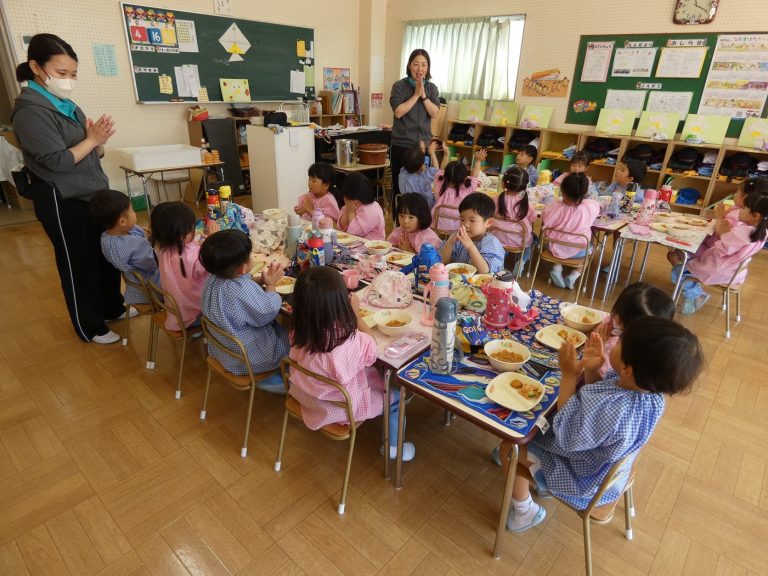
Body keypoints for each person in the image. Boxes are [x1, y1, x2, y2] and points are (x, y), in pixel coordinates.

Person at [501, 317, 703, 532]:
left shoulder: (615, 410)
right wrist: (594, 369)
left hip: (581, 481)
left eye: (620, 341)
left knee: (509, 447)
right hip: (608, 474)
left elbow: (567, 434)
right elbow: (598, 397)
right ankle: (539, 482)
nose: (614, 343)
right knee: (536, 428)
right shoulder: (650, 395)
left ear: (627, 368)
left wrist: (569, 377)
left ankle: (524, 513)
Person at [12, 34, 121, 344]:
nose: (68, 80)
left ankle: (114, 307)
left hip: (92, 191)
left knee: (106, 253)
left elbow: (89, 150)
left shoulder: (65, 104)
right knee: (79, 262)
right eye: (61, 73)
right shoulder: (30, 111)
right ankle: (91, 326)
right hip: (64, 199)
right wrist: (92, 141)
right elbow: (58, 162)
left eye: (73, 74)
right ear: (36, 66)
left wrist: (98, 143)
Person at [287, 266, 415, 461]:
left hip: (309, 398)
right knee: (396, 398)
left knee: (369, 375)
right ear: (340, 304)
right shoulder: (348, 341)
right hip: (340, 409)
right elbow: (372, 345)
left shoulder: (299, 332)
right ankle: (394, 448)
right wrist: (356, 315)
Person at [199, 229, 288, 393]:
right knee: (289, 335)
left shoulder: (212, 279)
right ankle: (279, 377)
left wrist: (261, 278)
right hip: (249, 359)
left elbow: (241, 283)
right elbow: (267, 312)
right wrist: (271, 285)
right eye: (250, 255)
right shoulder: (239, 291)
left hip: (224, 352)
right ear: (241, 268)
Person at [668, 191, 768, 314]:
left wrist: (725, 232)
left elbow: (723, 248)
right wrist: (727, 233)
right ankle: (692, 291)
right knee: (684, 258)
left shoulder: (743, 233)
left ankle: (696, 295)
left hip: (718, 269)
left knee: (677, 271)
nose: (740, 210)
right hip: (731, 271)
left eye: (745, 208)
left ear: (755, 216)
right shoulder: (761, 232)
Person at [592, 282, 675, 380]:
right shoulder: (612, 322)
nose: (614, 316)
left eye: (620, 315)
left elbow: (599, 380)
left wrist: (599, 349)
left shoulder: (631, 355)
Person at [90, 189, 159, 306]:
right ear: (122, 221)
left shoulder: (106, 237)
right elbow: (154, 263)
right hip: (151, 288)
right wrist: (159, 245)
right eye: (132, 210)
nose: (135, 212)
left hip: (134, 286)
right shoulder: (134, 244)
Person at [390, 49, 441, 203]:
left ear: (428, 67)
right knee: (401, 187)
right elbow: (398, 112)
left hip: (422, 146)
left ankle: (420, 223)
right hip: (402, 144)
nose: (420, 69)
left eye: (424, 65)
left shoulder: (431, 88)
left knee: (423, 187)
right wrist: (416, 95)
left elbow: (434, 113)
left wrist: (424, 95)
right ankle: (400, 223)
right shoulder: (399, 86)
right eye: (416, 64)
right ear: (409, 65)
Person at [150, 202, 208, 330]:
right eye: (192, 228)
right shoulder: (194, 256)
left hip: (175, 313)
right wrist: (213, 240)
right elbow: (214, 264)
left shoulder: (161, 248)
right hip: (194, 315)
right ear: (183, 234)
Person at [542, 173, 600, 289]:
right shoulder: (589, 207)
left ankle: (557, 267)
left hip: (554, 247)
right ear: (584, 193)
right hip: (579, 250)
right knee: (591, 250)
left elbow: (545, 217)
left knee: (557, 241)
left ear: (562, 191)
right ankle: (574, 275)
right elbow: (597, 206)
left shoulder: (555, 207)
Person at [441, 192, 505, 274]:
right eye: (462, 219)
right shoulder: (458, 238)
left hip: (483, 284)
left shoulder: (492, 243)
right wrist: (449, 243)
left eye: (472, 220)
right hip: (458, 283)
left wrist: (470, 246)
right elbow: (444, 263)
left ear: (488, 222)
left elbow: (484, 271)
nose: (466, 225)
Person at [492, 166, 537, 275]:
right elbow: (533, 219)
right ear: (525, 187)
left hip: (497, 238)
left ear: (503, 184)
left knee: (504, 243)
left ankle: (500, 260)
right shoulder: (526, 204)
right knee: (533, 241)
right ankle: (521, 261)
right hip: (519, 241)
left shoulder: (495, 199)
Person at [433, 149, 487, 232]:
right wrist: (478, 160)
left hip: (437, 225)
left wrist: (446, 155)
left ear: (445, 175)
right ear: (464, 176)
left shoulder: (439, 183)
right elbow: (474, 177)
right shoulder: (467, 188)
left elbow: (441, 170)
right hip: (458, 228)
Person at [337, 173, 385, 240]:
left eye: (346, 197)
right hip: (356, 244)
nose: (344, 198)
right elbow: (341, 226)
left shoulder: (371, 210)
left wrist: (351, 211)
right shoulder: (352, 203)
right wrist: (348, 208)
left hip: (371, 246)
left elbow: (353, 233)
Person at [398, 140, 444, 209]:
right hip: (424, 212)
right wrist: (432, 154)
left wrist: (420, 156)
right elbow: (437, 173)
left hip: (408, 209)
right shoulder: (422, 178)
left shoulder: (403, 172)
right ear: (421, 167)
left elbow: (414, 160)